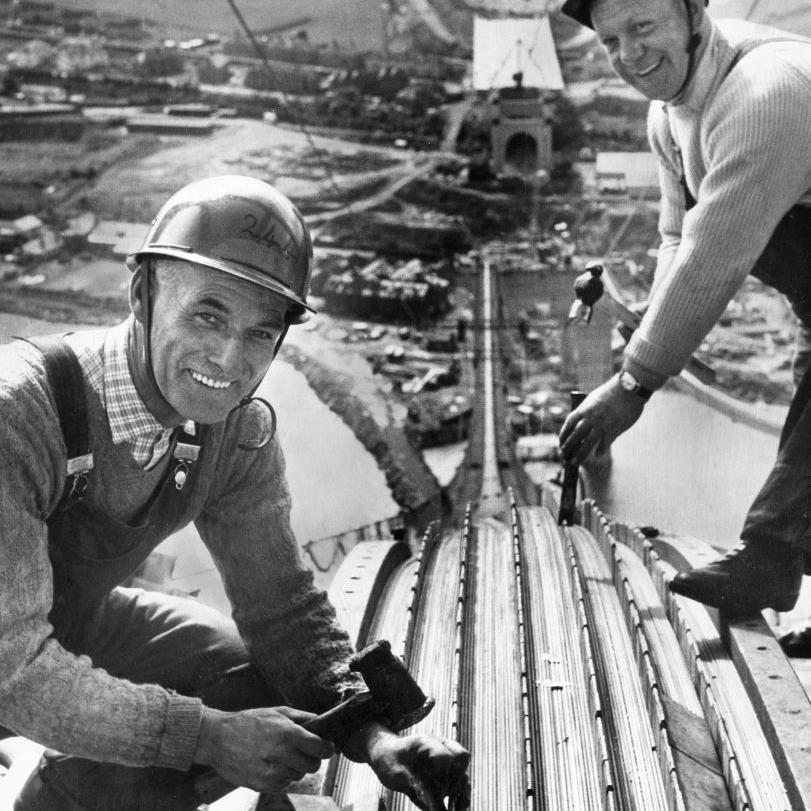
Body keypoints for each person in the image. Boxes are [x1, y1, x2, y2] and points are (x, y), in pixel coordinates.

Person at [0, 175, 469, 810]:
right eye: (207, 315)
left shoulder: (232, 434)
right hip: (10, 660)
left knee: (241, 673)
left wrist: (372, 735)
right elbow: (15, 673)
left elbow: (282, 610)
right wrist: (210, 737)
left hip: (68, 624)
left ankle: (76, 781)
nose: (228, 359)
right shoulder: (19, 415)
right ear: (142, 292)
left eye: (259, 334)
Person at [558, 0, 811, 615]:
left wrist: (634, 383)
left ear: (695, 15)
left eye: (643, 27)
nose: (629, 55)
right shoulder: (669, 115)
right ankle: (779, 561)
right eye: (611, 40)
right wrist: (645, 329)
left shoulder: (767, 95)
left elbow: (712, 259)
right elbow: (679, 238)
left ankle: (770, 562)